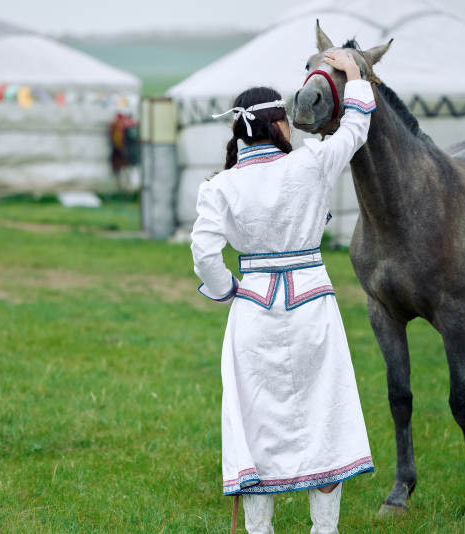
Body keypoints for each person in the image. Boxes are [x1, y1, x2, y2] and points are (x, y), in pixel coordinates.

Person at [190, 50, 375, 534]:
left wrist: (231, 289)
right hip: (313, 305)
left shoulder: (220, 187)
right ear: (279, 127)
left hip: (253, 311)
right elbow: (356, 130)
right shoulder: (312, 163)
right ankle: (324, 529)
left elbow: (205, 254)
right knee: (325, 413)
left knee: (254, 421)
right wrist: (354, 75)